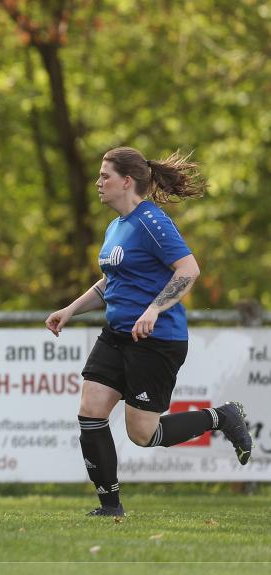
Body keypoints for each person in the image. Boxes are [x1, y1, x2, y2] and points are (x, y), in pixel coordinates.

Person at [45, 147, 252, 517]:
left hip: (155, 341)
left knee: (143, 435)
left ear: (127, 181)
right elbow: (111, 281)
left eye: (105, 176)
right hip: (117, 335)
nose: (98, 182)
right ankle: (110, 507)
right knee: (90, 411)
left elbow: (188, 270)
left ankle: (222, 417)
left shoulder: (152, 221)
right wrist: (71, 310)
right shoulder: (115, 226)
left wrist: (154, 310)